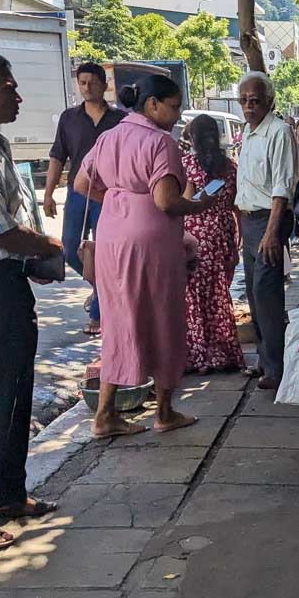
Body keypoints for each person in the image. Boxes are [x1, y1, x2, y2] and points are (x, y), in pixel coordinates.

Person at [75, 75, 216, 439]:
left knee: (119, 321)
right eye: (173, 105)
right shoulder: (160, 142)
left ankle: (105, 414)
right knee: (163, 319)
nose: (177, 112)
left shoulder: (108, 137)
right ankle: (165, 411)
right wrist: (199, 204)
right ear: (152, 104)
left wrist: (121, 201)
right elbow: (166, 201)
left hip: (111, 236)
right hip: (151, 241)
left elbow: (80, 184)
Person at [0, 54, 65, 551]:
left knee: (13, 391)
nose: (18, 98)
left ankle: (8, 493)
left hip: (7, 284)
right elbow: (3, 229)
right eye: (8, 89)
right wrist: (51, 247)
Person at [43, 62, 126, 335]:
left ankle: (98, 315)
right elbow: (57, 157)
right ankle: (100, 286)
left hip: (108, 195)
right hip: (78, 194)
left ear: (104, 85)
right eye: (82, 82)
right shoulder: (69, 118)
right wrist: (48, 193)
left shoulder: (119, 120)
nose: (87, 87)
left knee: (104, 253)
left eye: (92, 82)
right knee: (69, 247)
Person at [235, 72, 299, 391]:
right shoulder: (247, 133)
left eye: (255, 100)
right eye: (244, 100)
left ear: (269, 101)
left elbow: (281, 188)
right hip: (249, 221)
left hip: (268, 219)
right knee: (253, 292)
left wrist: (272, 232)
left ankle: (276, 366)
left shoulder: (279, 131)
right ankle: (264, 358)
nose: (248, 106)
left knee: (266, 292)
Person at [182, 114, 245, 374]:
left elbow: (186, 201)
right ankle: (221, 353)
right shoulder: (230, 168)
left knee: (193, 298)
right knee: (219, 295)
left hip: (194, 235)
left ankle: (199, 356)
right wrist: (237, 236)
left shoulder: (187, 165)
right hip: (223, 234)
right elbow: (237, 204)